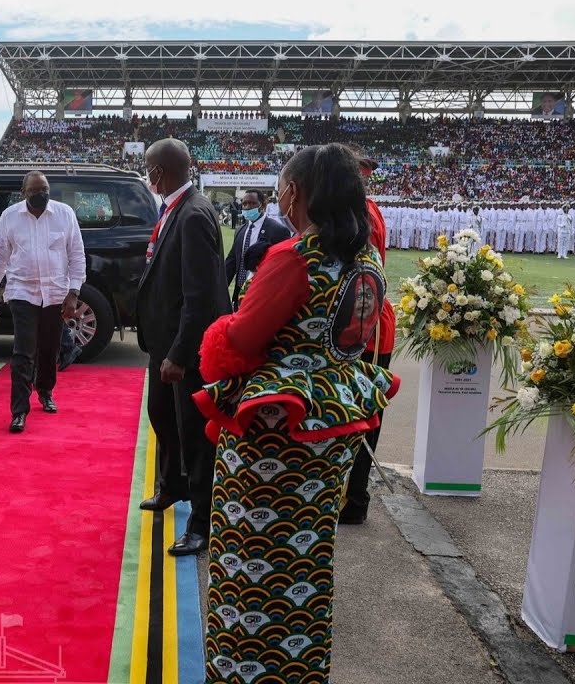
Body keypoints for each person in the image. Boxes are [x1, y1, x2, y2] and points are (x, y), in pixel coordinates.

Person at [193, 144, 398, 682]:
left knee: (252, 559)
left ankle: (246, 669)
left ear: (295, 194)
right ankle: (301, 667)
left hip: (276, 434)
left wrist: (219, 342)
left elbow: (240, 337)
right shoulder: (368, 258)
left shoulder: (293, 258)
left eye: (285, 188)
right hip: (335, 423)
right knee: (306, 559)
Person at [135, 138, 230, 557]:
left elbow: (202, 296)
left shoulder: (192, 214)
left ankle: (201, 521)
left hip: (185, 349)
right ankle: (171, 485)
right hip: (164, 343)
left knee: (195, 437)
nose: (146, 173)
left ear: (159, 172)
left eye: (148, 167)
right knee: (164, 420)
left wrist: (179, 352)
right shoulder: (175, 206)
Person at [0, 171, 86, 434]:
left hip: (55, 292)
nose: (41, 194)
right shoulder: (10, 217)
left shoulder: (64, 214)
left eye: (45, 189)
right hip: (22, 292)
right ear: (23, 192)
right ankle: (19, 410)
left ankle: (45, 390)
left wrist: (73, 292)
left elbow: (76, 254)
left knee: (49, 348)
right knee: (23, 351)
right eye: (35, 190)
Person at [340, 152, 398, 526]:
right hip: (368, 324)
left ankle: (354, 499)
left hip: (365, 328)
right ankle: (353, 497)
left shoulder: (357, 215)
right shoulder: (365, 209)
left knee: (360, 418)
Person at [226, 189, 291, 309]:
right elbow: (231, 263)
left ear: (263, 204)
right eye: (244, 204)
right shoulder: (240, 231)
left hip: (263, 297)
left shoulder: (278, 231)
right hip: (239, 295)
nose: (247, 207)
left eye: (252, 203)